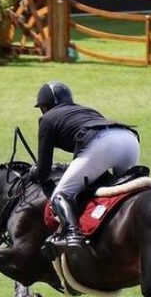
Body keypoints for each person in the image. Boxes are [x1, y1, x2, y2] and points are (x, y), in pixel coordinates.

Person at [29, 82, 140, 249]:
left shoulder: (47, 119)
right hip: (129, 139)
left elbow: (44, 169)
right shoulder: (87, 110)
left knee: (61, 194)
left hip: (102, 144)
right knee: (125, 191)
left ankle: (72, 234)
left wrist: (35, 173)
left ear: (44, 106)